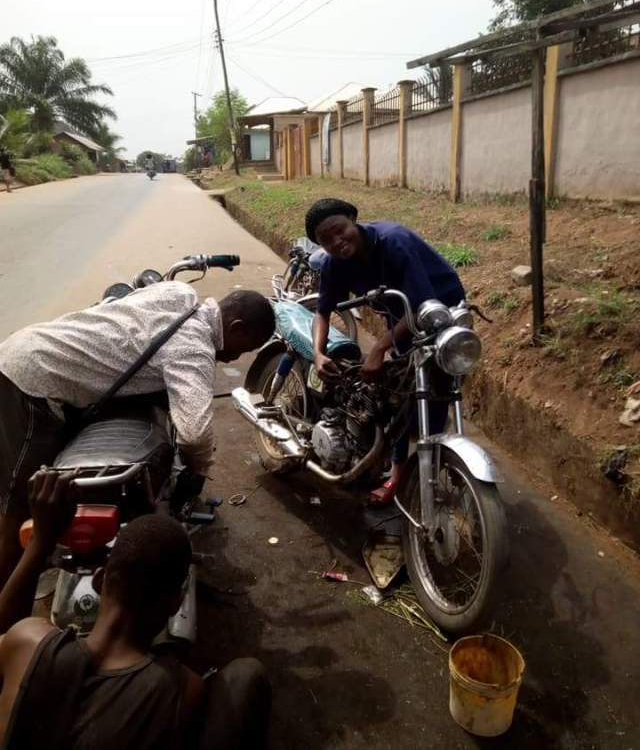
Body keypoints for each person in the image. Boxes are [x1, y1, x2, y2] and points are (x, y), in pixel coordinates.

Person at [0, 282, 275, 584]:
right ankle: (9, 599)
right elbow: (195, 433)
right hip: (32, 381)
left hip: (29, 344)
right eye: (244, 349)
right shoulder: (193, 348)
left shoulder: (179, 292)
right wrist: (197, 472)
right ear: (237, 328)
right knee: (24, 500)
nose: (236, 358)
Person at [0, 470, 271, 749]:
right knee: (245, 676)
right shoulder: (183, 691)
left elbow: (5, 629)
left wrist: (41, 539)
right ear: (175, 603)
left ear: (99, 579)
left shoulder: (26, 641)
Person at [306, 198, 465, 504]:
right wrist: (318, 353)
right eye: (326, 240)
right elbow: (322, 311)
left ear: (354, 218)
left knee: (441, 389)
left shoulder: (395, 242)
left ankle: (436, 460)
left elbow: (423, 304)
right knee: (404, 395)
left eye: (340, 230)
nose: (337, 242)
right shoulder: (333, 263)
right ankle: (397, 473)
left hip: (440, 309)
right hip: (403, 317)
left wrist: (379, 346)